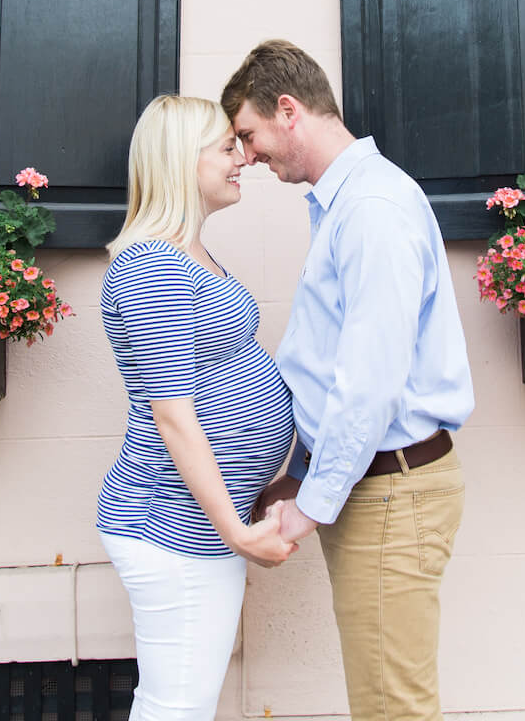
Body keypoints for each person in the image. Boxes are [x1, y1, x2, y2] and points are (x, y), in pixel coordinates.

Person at [221, 40, 475, 721]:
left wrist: (311, 503)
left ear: (288, 110)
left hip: (393, 491)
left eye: (249, 135)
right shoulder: (348, 205)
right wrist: (301, 476)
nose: (247, 155)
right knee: (384, 702)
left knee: (393, 709)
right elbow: (337, 368)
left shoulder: (370, 211)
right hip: (377, 486)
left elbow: (370, 381)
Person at [96, 94, 299, 721]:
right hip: (173, 526)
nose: (241, 158)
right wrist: (235, 531)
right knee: (176, 707)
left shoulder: (189, 254)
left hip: (200, 526)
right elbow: (172, 414)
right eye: (225, 147)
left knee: (182, 702)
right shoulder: (150, 265)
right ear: (183, 162)